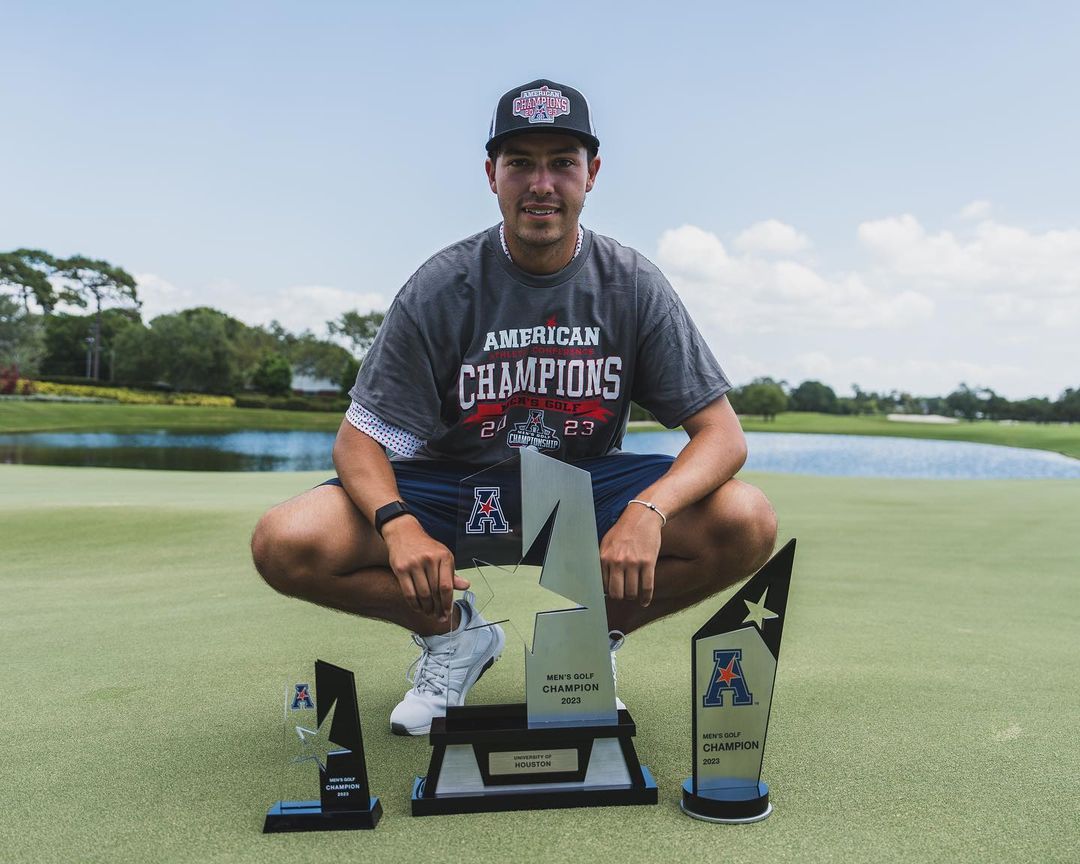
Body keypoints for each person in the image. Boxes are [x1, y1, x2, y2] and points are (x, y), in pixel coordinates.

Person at [251, 78, 778, 736]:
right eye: (520, 163)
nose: (542, 183)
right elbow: (359, 441)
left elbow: (721, 436)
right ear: (491, 175)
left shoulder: (632, 283)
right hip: (459, 492)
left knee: (745, 518)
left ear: (592, 174)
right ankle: (456, 636)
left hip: (581, 493)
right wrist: (398, 527)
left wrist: (650, 510)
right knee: (287, 541)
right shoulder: (443, 285)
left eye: (562, 162)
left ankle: (580, 645)